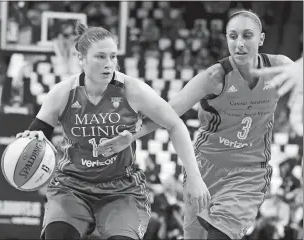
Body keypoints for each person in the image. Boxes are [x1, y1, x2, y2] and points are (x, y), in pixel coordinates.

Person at [96, 10, 296, 240]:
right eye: (233, 36)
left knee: (220, 234)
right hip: (205, 168)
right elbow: (168, 113)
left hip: (249, 172)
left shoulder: (280, 66)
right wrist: (131, 135)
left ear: (261, 39)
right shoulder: (214, 77)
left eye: (247, 35)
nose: (239, 43)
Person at [16, 22, 210, 240]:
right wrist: (33, 137)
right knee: (58, 235)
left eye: (113, 56)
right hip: (72, 186)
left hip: (121, 190)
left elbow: (175, 124)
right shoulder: (62, 93)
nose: (109, 64)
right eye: (100, 57)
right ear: (81, 59)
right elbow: (38, 131)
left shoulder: (132, 90)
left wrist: (194, 178)